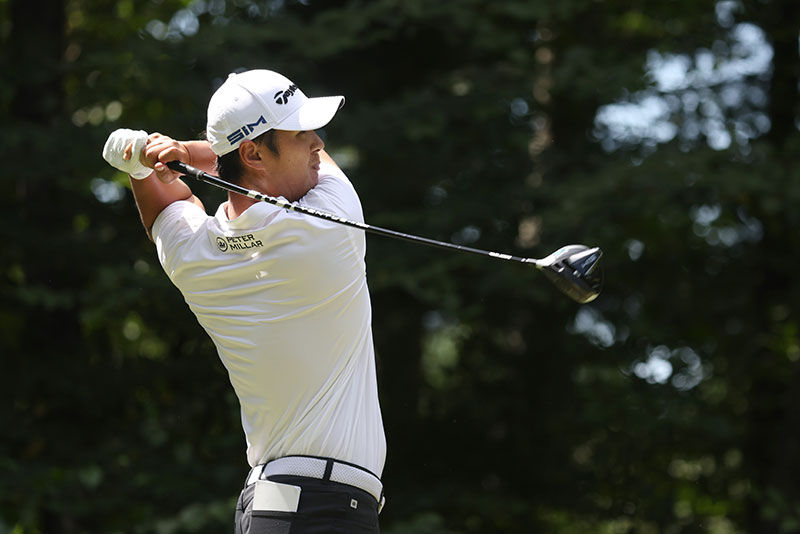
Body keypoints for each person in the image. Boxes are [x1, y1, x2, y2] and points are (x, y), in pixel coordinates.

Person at [102, 69, 386, 534]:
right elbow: (176, 188)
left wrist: (141, 164)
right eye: (300, 133)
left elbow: (164, 203)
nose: (317, 143)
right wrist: (172, 151)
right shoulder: (330, 221)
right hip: (325, 508)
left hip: (270, 507)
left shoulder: (196, 254)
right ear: (254, 153)